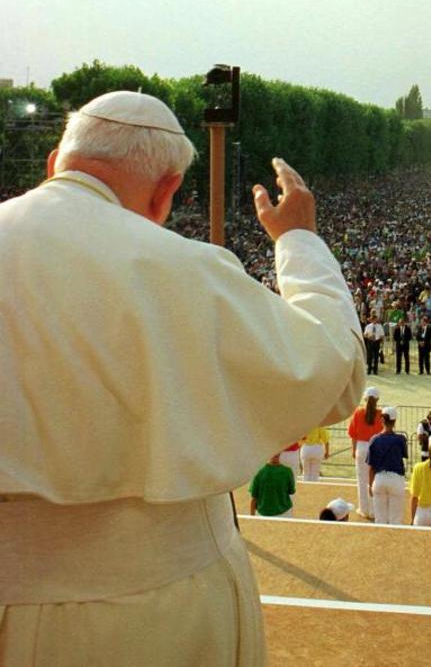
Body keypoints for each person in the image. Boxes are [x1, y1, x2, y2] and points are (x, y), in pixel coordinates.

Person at [0, 91, 365, 666]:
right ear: (167, 190)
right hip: (140, 615)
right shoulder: (184, 269)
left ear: (53, 164)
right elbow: (334, 372)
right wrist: (299, 241)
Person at [367, 407, 408, 525]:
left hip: (379, 479)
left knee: (379, 519)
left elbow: (371, 467)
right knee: (395, 520)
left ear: (382, 420)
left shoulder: (374, 439)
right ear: (394, 421)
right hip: (396, 479)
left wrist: (370, 485)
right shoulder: (400, 439)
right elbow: (404, 455)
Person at [347, 386, 383, 520]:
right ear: (377, 399)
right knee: (374, 479)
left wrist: (353, 449)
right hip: (375, 447)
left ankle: (364, 508)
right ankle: (374, 509)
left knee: (361, 480)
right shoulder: (381, 414)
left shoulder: (358, 413)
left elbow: (353, 434)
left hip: (361, 447)